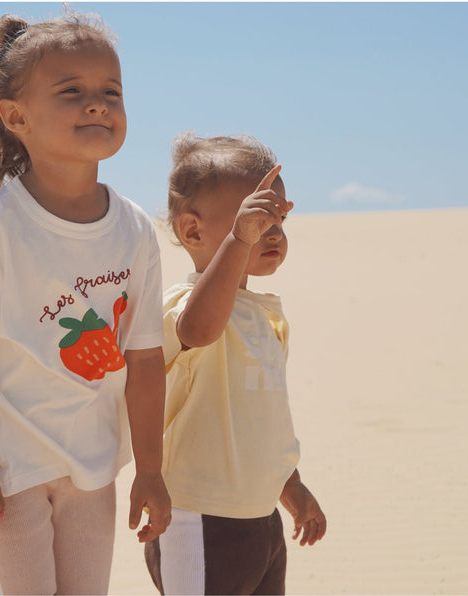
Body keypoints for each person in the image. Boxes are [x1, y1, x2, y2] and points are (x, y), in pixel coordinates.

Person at [0, 10, 171, 594]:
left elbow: (146, 358)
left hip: (95, 467)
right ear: (17, 117)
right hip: (11, 471)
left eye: (111, 92)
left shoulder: (134, 230)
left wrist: (151, 469)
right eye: (71, 91)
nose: (97, 104)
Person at [145, 133, 327, 594]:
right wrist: (238, 241)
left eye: (278, 218)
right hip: (197, 517)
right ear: (192, 231)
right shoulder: (184, 304)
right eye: (255, 218)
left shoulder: (265, 315)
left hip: (261, 517)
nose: (273, 231)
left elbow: (264, 419)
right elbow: (198, 330)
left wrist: (291, 485)